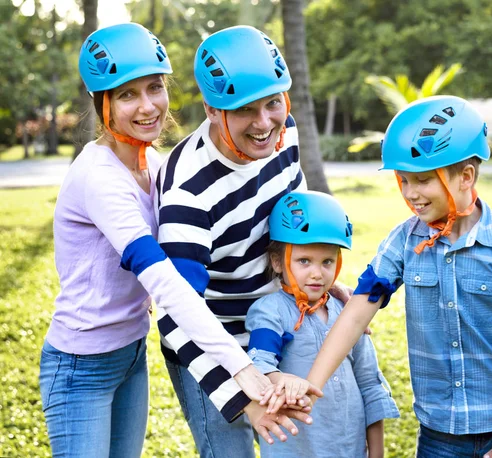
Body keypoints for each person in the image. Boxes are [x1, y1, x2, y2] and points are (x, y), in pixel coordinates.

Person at [39, 22, 282, 458]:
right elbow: (164, 281)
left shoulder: (154, 163)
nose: (148, 106)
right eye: (128, 94)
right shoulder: (99, 177)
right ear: (103, 103)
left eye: (155, 88)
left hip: (130, 356)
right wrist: (240, 367)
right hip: (80, 364)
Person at [307, 96, 492, 458]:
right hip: (440, 437)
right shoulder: (404, 242)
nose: (410, 194)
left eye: (422, 180)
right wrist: (312, 385)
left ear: (465, 176)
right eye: (403, 180)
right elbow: (359, 310)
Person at [156, 25, 328, 456]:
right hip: (214, 345)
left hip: (276, 327)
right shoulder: (188, 194)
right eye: (246, 110)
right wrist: (245, 401)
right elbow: (178, 317)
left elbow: (294, 209)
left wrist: (308, 272)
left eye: (273, 103)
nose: (266, 122)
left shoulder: (281, 130)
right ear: (213, 110)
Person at [245, 190, 400, 458]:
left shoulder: (350, 315)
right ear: (277, 262)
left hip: (351, 450)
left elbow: (370, 384)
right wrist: (279, 378)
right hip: (295, 450)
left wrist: (376, 452)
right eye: (304, 261)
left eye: (327, 261)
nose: (317, 273)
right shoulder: (269, 312)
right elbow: (259, 362)